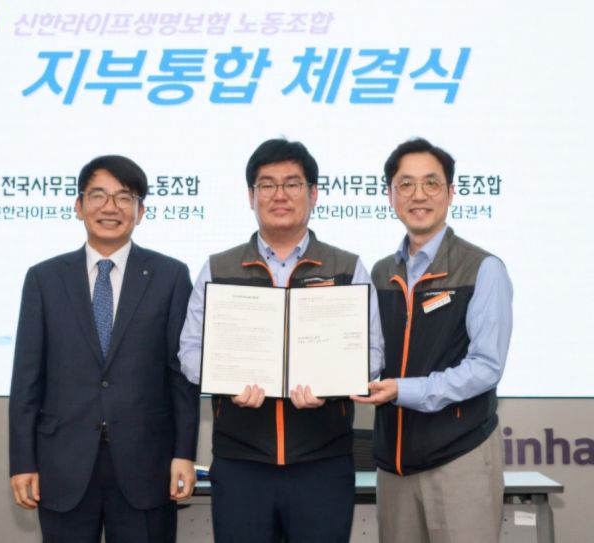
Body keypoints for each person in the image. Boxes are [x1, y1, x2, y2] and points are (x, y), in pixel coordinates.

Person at [179, 138, 384, 543]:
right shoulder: (219, 268)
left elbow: (372, 354)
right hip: (241, 464)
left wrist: (331, 384)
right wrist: (227, 380)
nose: (279, 195)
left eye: (292, 184)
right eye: (267, 185)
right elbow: (190, 352)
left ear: (313, 194)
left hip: (323, 463)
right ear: (250, 196)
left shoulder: (347, 267)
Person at [9, 155, 200, 543]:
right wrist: (22, 461)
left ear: (140, 211)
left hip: (147, 464)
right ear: (79, 206)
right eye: (98, 195)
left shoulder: (170, 276)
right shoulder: (44, 279)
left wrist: (185, 453)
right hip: (62, 464)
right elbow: (27, 379)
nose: (110, 207)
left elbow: (180, 376)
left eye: (124, 197)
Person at [353, 138, 513, 543]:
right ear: (390, 195)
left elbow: (485, 368)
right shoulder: (379, 273)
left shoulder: (482, 268)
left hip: (459, 457)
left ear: (450, 192)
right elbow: (368, 352)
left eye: (431, 183)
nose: (418, 195)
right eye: (405, 184)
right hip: (395, 465)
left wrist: (403, 390)